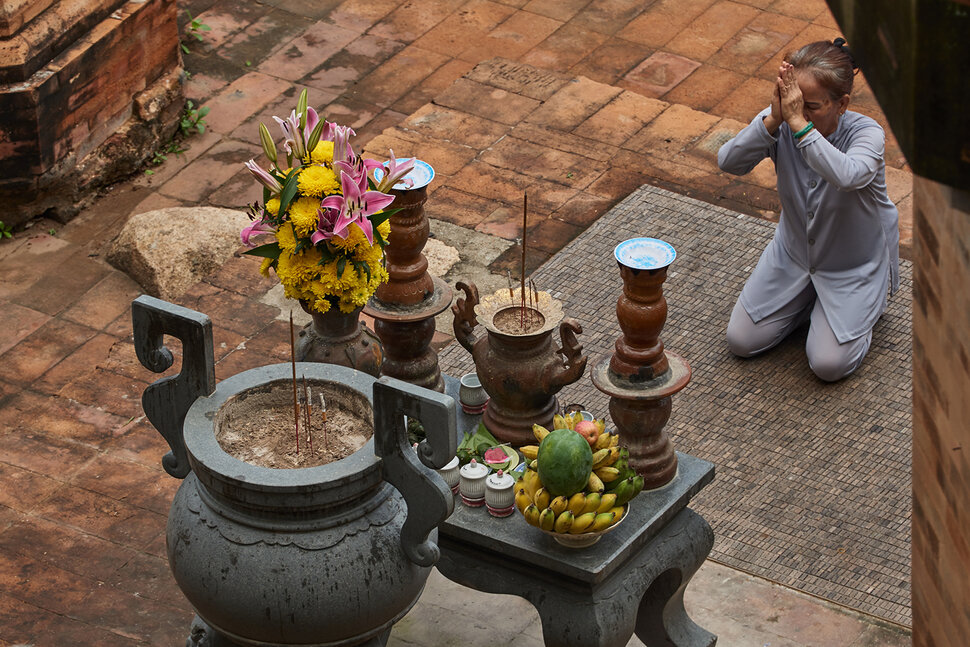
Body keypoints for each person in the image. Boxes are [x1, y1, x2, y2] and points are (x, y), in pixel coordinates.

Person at [718, 38, 899, 382]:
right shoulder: (782, 118)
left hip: (853, 268)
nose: (796, 112)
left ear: (841, 103)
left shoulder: (866, 135)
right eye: (793, 102)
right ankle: (806, 303)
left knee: (828, 365)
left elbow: (847, 175)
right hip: (793, 256)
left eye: (810, 105)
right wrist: (771, 120)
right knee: (741, 341)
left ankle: (867, 306)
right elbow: (728, 162)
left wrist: (800, 125)